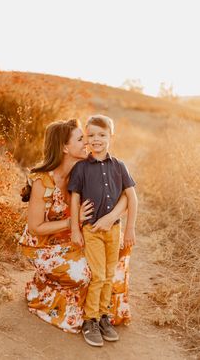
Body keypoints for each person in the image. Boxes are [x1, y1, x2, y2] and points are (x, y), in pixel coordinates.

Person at [19, 118, 128, 334]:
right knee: (85, 273)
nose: (87, 142)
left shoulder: (84, 169)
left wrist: (111, 217)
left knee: (117, 254)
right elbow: (34, 228)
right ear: (65, 147)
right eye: (81, 139)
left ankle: (101, 312)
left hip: (74, 237)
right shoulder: (43, 182)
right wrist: (72, 221)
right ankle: (45, 291)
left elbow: (125, 192)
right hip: (43, 245)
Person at [68, 115, 138, 346]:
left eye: (102, 135)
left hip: (114, 230)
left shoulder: (119, 166)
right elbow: (75, 198)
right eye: (91, 135)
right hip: (91, 230)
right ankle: (90, 320)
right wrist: (76, 230)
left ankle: (103, 317)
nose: (96, 139)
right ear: (86, 138)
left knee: (109, 276)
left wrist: (130, 229)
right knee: (98, 276)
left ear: (111, 137)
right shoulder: (81, 167)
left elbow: (132, 198)